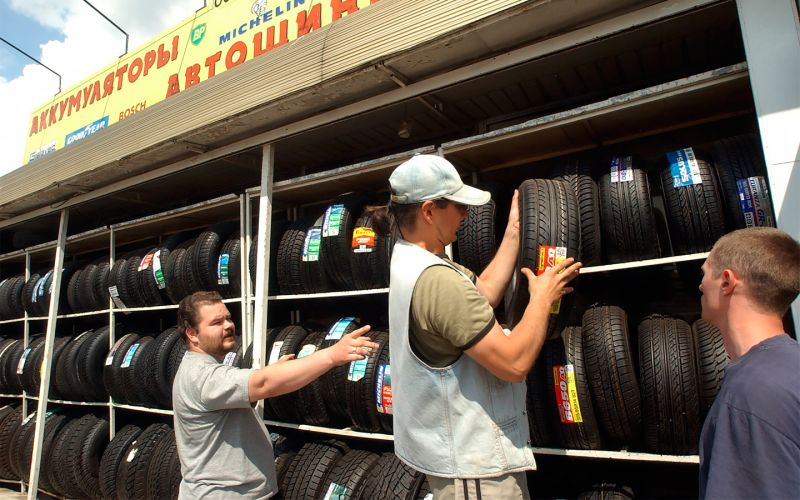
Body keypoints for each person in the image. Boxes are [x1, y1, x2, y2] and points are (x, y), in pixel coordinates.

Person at [374, 154, 581, 499]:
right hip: (475, 473)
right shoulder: (438, 281)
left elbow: (482, 293)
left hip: (456, 458)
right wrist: (541, 299)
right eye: (457, 206)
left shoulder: (411, 259)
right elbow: (513, 364)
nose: (466, 214)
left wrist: (516, 232)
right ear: (428, 211)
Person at [172, 290, 377, 499]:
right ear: (192, 334)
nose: (228, 326)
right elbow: (262, 383)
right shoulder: (202, 376)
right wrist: (332, 355)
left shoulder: (201, 368)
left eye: (228, 318)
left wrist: (276, 371)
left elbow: (255, 380)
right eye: (216, 322)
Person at [698, 227, 800, 499]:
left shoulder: (751, 396)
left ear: (727, 282)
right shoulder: (789, 367)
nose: (700, 285)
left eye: (705, 273)